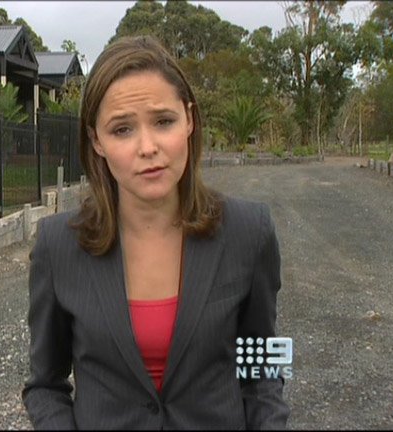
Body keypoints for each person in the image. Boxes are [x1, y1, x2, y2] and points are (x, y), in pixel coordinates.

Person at [22, 35, 290, 429]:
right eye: (122, 129)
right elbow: (44, 386)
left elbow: (264, 368)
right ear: (96, 140)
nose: (147, 147)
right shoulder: (58, 245)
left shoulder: (251, 231)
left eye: (163, 121)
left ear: (189, 119)